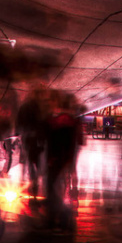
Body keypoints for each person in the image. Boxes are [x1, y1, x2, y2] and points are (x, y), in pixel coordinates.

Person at [44, 92, 84, 230]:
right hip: (65, 160)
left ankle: (55, 219)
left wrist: (52, 158)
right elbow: (77, 142)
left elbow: (54, 142)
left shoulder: (58, 121)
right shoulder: (72, 121)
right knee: (62, 188)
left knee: (54, 189)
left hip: (57, 160)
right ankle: (64, 218)